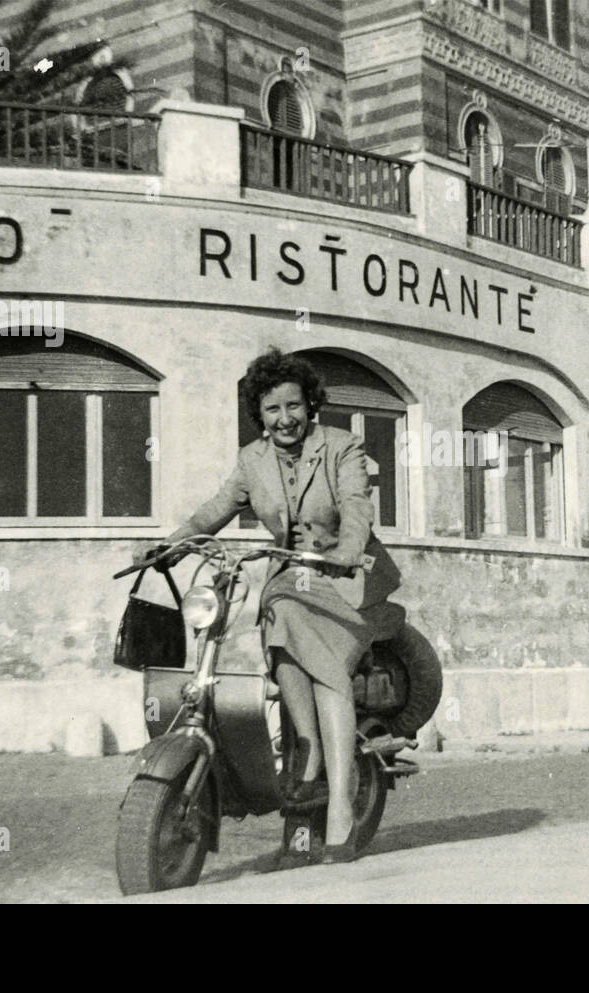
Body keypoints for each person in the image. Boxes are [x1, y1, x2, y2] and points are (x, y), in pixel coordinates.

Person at [136, 347, 402, 863]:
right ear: (259, 415)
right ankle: (308, 754)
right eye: (273, 409)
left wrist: (348, 550)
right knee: (278, 615)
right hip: (292, 582)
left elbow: (355, 506)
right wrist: (168, 544)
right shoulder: (251, 461)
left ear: (311, 406)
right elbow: (214, 510)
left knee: (324, 669)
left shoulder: (342, 447)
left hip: (349, 584)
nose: (285, 419)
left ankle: (340, 802)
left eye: (293, 406)